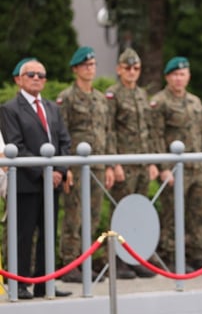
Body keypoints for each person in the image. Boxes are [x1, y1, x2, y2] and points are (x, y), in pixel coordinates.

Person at [0, 58, 72, 299]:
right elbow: (15, 146)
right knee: (23, 235)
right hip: (26, 183)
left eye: (41, 75)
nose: (36, 78)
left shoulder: (53, 108)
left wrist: (59, 171)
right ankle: (19, 283)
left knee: (49, 234)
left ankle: (45, 282)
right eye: (30, 74)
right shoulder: (10, 109)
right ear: (20, 79)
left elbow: (64, 141)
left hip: (52, 182)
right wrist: (44, 172)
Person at [57, 46, 120, 282]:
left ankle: (86, 260)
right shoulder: (68, 97)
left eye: (92, 65)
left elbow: (108, 132)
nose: (90, 69)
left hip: (98, 165)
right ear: (75, 69)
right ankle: (70, 263)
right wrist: (65, 167)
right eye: (85, 66)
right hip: (76, 166)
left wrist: (110, 164)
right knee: (74, 215)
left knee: (93, 215)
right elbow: (61, 133)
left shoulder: (100, 98)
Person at [149, 56, 202, 271]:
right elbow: (155, 136)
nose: (178, 78)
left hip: (198, 167)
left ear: (188, 76)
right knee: (172, 214)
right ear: (167, 77)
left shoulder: (195, 101)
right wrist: (164, 168)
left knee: (200, 214)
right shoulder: (159, 102)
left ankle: (200, 255)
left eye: (182, 74)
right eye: (174, 75)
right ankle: (171, 257)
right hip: (175, 170)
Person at [105, 47, 159, 278]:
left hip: (142, 163)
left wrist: (152, 161)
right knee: (121, 211)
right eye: (127, 68)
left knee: (139, 211)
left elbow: (148, 130)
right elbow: (109, 130)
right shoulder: (112, 94)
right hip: (123, 164)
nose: (131, 72)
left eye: (136, 68)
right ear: (119, 69)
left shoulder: (141, 95)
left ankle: (136, 257)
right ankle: (119, 261)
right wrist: (114, 162)